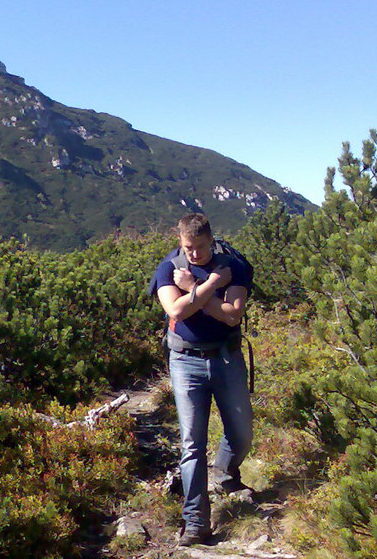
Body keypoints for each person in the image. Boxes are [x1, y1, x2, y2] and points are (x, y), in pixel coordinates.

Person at [150, 213, 253, 546]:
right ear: (180, 242)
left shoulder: (232, 267)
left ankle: (224, 471)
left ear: (211, 240)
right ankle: (195, 521)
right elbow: (176, 311)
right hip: (185, 361)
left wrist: (194, 289)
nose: (193, 254)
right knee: (192, 443)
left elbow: (232, 315)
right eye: (187, 247)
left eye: (200, 247)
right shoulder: (168, 267)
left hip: (226, 356)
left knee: (242, 433)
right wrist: (210, 287)